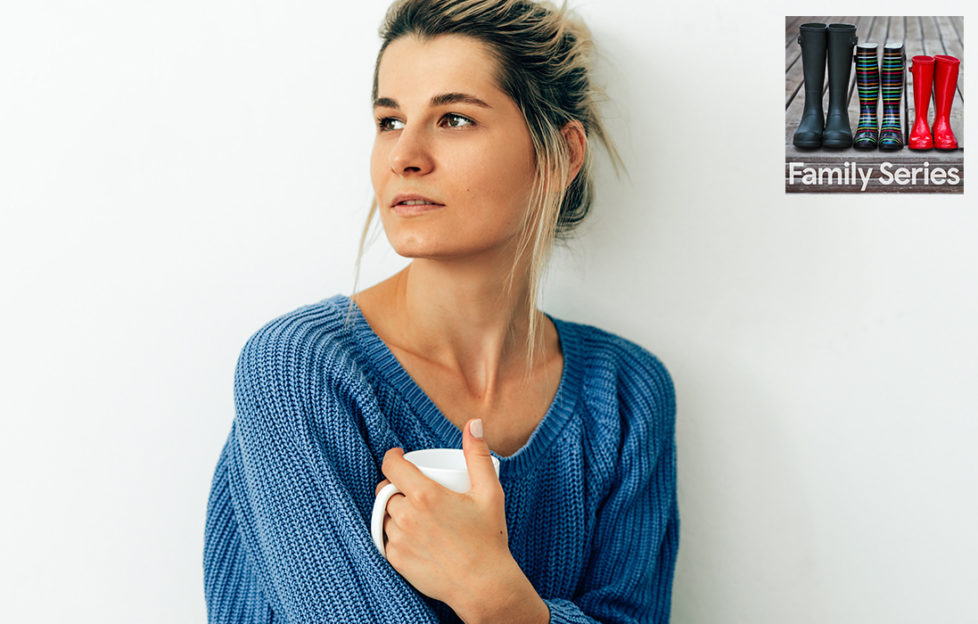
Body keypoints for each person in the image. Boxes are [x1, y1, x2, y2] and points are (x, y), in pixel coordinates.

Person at [203, 0, 679, 622]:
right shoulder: (300, 370)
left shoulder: (625, 394)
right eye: (389, 121)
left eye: (453, 118)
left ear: (561, 156)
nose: (406, 155)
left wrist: (489, 589)